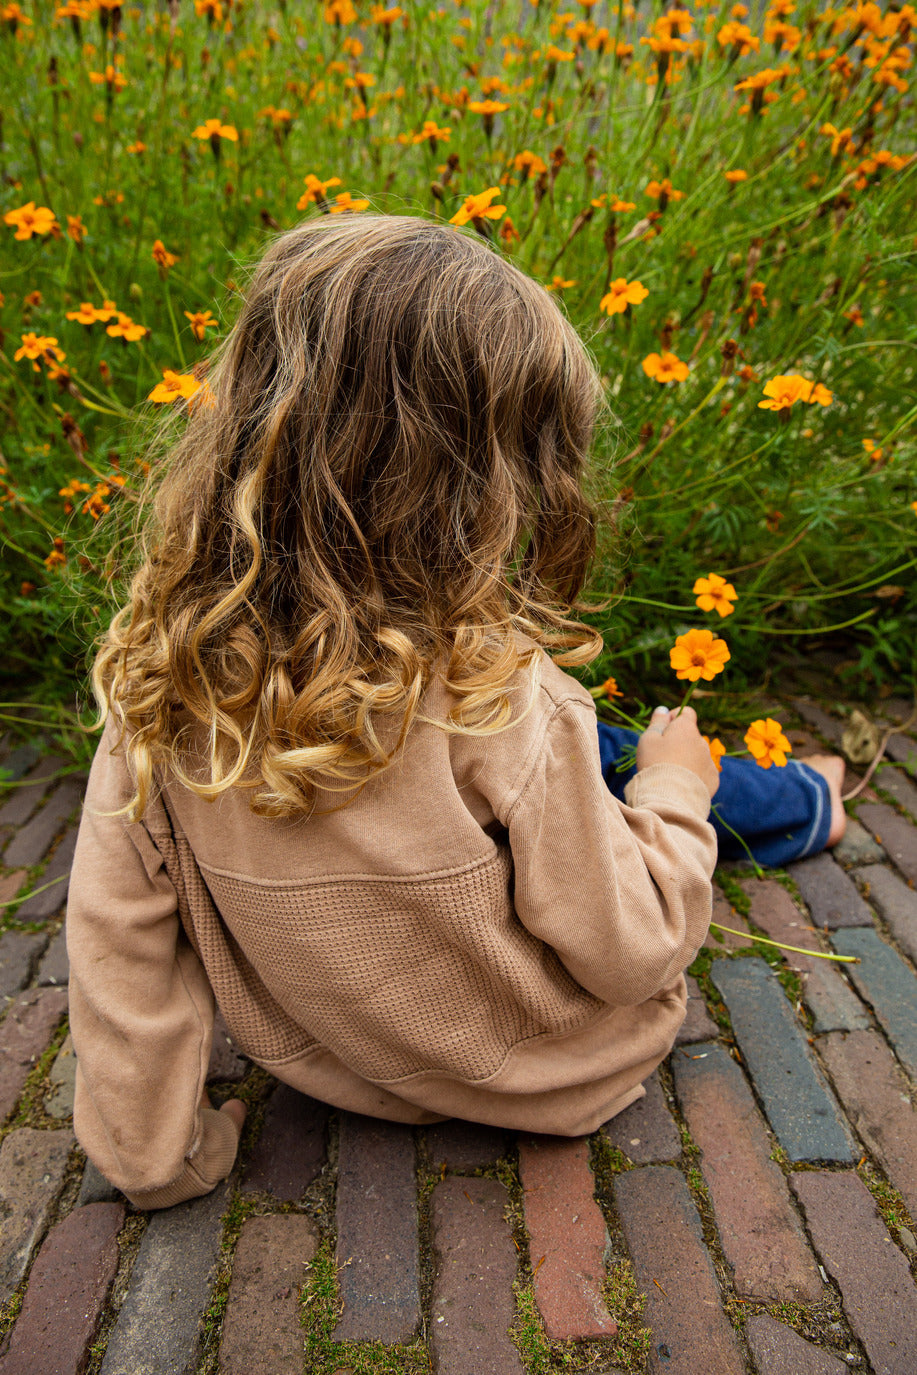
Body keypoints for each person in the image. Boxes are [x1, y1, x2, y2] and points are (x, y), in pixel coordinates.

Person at [67, 215, 845, 1210]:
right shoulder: (506, 697)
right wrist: (674, 794)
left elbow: (115, 939)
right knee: (639, 757)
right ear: (477, 485)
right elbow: (635, 948)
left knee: (590, 752)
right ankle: (754, 795)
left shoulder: (157, 680)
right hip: (562, 1074)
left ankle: (736, 786)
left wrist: (151, 1159)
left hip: (344, 1064)